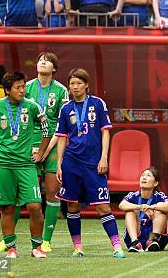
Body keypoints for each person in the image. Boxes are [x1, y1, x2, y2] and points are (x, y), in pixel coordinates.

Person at [0, 71, 50, 259]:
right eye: (18, 87)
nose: (22, 90)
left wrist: (40, 152)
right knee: (8, 207)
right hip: (3, 165)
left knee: (34, 206)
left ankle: (37, 248)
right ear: (7, 90)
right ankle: (11, 248)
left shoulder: (32, 107)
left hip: (26, 165)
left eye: (24, 86)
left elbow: (47, 129)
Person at [55, 68, 127, 258]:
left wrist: (104, 157)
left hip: (94, 163)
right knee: (72, 205)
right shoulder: (65, 108)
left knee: (103, 205)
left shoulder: (97, 103)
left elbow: (105, 131)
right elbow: (62, 138)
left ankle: (117, 247)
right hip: (71, 162)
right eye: (72, 84)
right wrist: (59, 164)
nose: (75, 87)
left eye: (79, 83)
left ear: (86, 85)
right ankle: (77, 248)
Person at [120, 167, 168, 252]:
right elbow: (122, 205)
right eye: (142, 175)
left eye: (148, 175)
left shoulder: (159, 196)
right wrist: (140, 207)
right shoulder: (133, 195)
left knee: (161, 209)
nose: (144, 177)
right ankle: (135, 243)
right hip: (137, 234)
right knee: (130, 211)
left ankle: (152, 241)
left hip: (156, 238)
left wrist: (152, 207)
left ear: (155, 183)